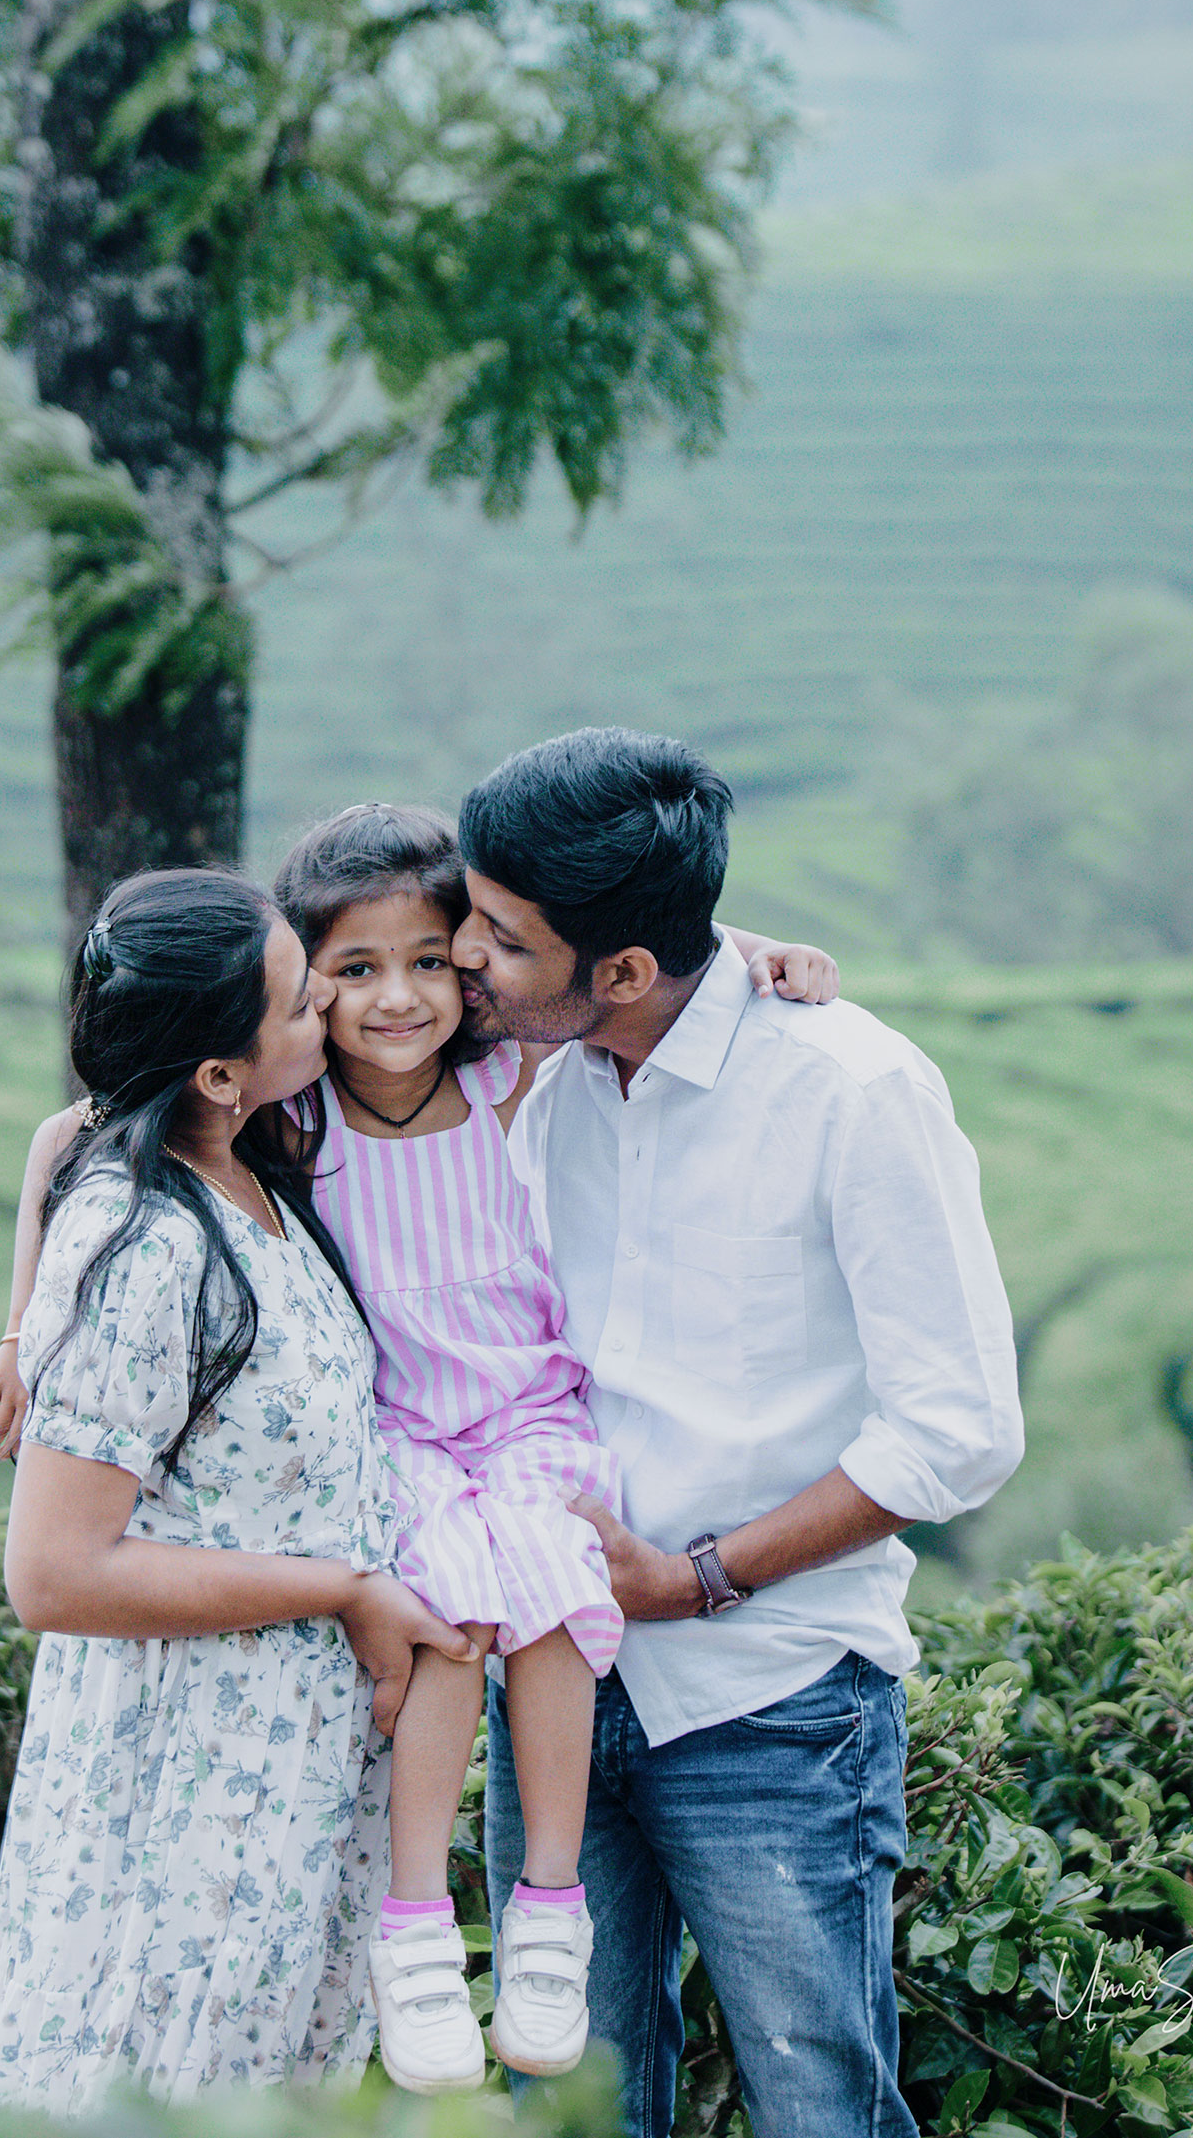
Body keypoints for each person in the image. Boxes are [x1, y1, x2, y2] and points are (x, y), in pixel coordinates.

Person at [0, 809, 837, 2099]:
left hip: (510, 1430)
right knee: (443, 1608)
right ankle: (421, 1928)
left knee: (552, 1581)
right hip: (385, 1479)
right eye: (332, 981)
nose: (378, 1002)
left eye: (427, 963)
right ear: (274, 1016)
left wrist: (730, 946)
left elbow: (580, 971)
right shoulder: (278, 1122)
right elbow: (71, 1134)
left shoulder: (484, 1076)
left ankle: (545, 1914)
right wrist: (19, 1323)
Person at [450, 728, 1025, 2138]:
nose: (464, 957)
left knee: (816, 2103)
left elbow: (959, 1429)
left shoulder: (851, 1087)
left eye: (502, 940)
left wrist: (699, 1575)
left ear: (626, 971)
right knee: (563, 2107)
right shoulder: (536, 1073)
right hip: (554, 1681)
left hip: (771, 1701)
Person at [0, 868, 473, 2116]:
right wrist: (343, 1588)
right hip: (180, 1803)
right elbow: (55, 1572)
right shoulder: (146, 1241)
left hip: (288, 1787)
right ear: (217, 1073)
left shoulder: (252, 1166)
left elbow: (64, 1127)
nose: (336, 1019)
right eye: (304, 1002)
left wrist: (737, 949)